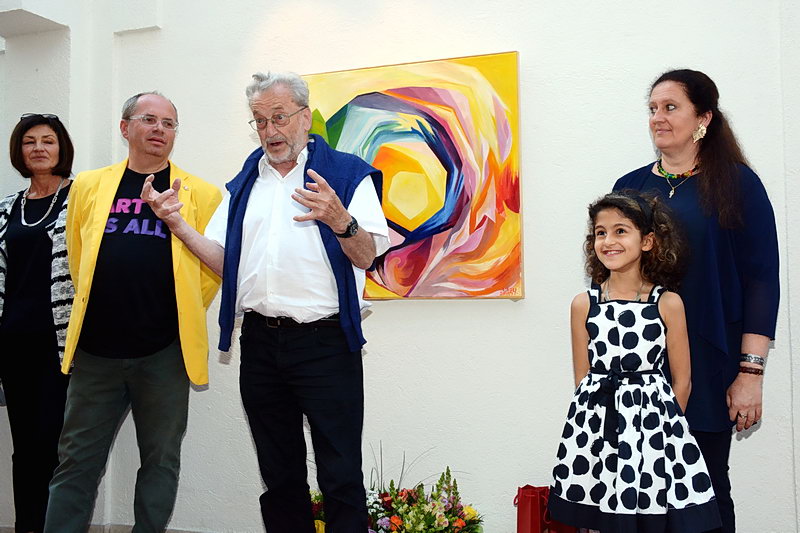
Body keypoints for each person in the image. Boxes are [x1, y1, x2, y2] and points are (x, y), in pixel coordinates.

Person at [142, 71, 389, 533]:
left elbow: (367, 255)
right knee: (279, 476)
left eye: (279, 117)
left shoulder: (345, 174)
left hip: (326, 345)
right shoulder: (244, 183)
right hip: (259, 344)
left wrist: (341, 220)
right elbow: (227, 262)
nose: (270, 130)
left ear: (305, 117)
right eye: (259, 120)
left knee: (340, 474)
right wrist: (177, 225)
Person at [43, 92, 222, 533]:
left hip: (164, 355)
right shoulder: (88, 185)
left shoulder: (202, 194)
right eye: (149, 119)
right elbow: (77, 255)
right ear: (125, 128)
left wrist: (177, 315)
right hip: (95, 354)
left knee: (161, 461)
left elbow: (208, 273)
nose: (160, 129)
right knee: (75, 462)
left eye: (169, 123)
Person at [613, 69, 779, 533]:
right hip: (638, 365)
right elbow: (610, 271)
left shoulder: (737, 184)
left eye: (671, 107)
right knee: (637, 495)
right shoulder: (629, 186)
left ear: (703, 118)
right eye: (652, 108)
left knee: (703, 493)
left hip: (708, 362)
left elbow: (762, 280)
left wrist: (750, 373)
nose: (658, 118)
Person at [548, 191, 721, 532]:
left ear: (647, 241)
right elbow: (583, 379)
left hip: (652, 429)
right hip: (597, 428)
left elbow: (683, 381)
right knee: (601, 515)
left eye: (621, 231)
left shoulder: (667, 303)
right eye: (601, 232)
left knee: (651, 515)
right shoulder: (584, 304)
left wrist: (665, 433)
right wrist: (593, 429)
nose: (608, 241)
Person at [0, 113, 74, 533]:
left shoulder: (81, 199)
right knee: (25, 447)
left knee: (58, 446)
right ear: (19, 151)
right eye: (30, 142)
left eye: (48, 140)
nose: (39, 148)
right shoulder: (7, 208)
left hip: (62, 345)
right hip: (14, 345)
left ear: (61, 148)